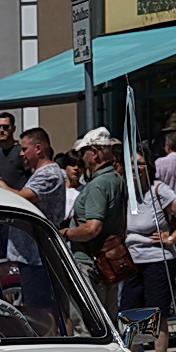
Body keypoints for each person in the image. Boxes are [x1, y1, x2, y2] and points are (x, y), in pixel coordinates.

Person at [121, 151, 176, 352]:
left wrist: (171, 238)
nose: (137, 168)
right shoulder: (126, 192)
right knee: (135, 311)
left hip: (157, 258)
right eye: (132, 164)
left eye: (141, 163)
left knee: (157, 311)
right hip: (133, 259)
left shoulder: (158, 190)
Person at [0, 127, 66, 324]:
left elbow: (21, 198)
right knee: (34, 305)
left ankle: (50, 344)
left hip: (38, 255)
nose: (22, 153)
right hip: (30, 255)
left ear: (39, 148)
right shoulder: (39, 173)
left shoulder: (48, 174)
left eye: (25, 149)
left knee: (41, 309)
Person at [61, 128, 128, 319]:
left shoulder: (98, 185)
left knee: (89, 325)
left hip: (91, 265)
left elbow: (92, 228)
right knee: (109, 322)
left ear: (95, 153)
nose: (82, 158)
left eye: (84, 153)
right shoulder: (115, 179)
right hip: (109, 263)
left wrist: (65, 233)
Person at [0, 113, 26, 190]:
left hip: (19, 198)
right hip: (1, 199)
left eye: (5, 127)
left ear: (13, 128)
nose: (1, 130)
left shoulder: (22, 152)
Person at [57, 153, 83, 218]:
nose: (76, 168)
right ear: (65, 168)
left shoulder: (85, 190)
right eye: (72, 165)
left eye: (79, 166)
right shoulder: (57, 189)